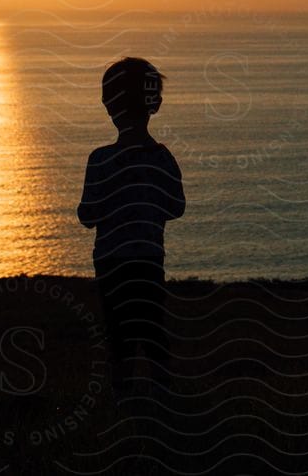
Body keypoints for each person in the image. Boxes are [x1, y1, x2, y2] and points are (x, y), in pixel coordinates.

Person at [77, 56, 185, 403]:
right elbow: (176, 206)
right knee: (153, 328)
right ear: (156, 104)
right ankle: (162, 395)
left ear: (107, 104)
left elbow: (87, 214)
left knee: (117, 332)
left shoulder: (101, 160)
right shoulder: (163, 158)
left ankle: (121, 397)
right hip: (150, 258)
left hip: (110, 262)